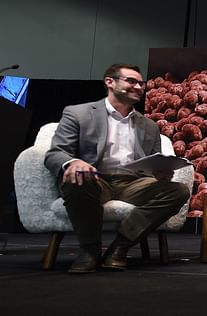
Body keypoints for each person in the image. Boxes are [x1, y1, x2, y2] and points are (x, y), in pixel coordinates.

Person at [44, 64, 191, 273]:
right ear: (109, 82)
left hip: (133, 183)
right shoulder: (79, 113)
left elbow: (153, 162)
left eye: (141, 83)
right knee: (79, 178)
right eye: (131, 81)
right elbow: (55, 153)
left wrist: (161, 172)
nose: (139, 87)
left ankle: (120, 246)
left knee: (178, 191)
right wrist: (72, 162)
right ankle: (89, 250)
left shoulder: (149, 125)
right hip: (95, 179)